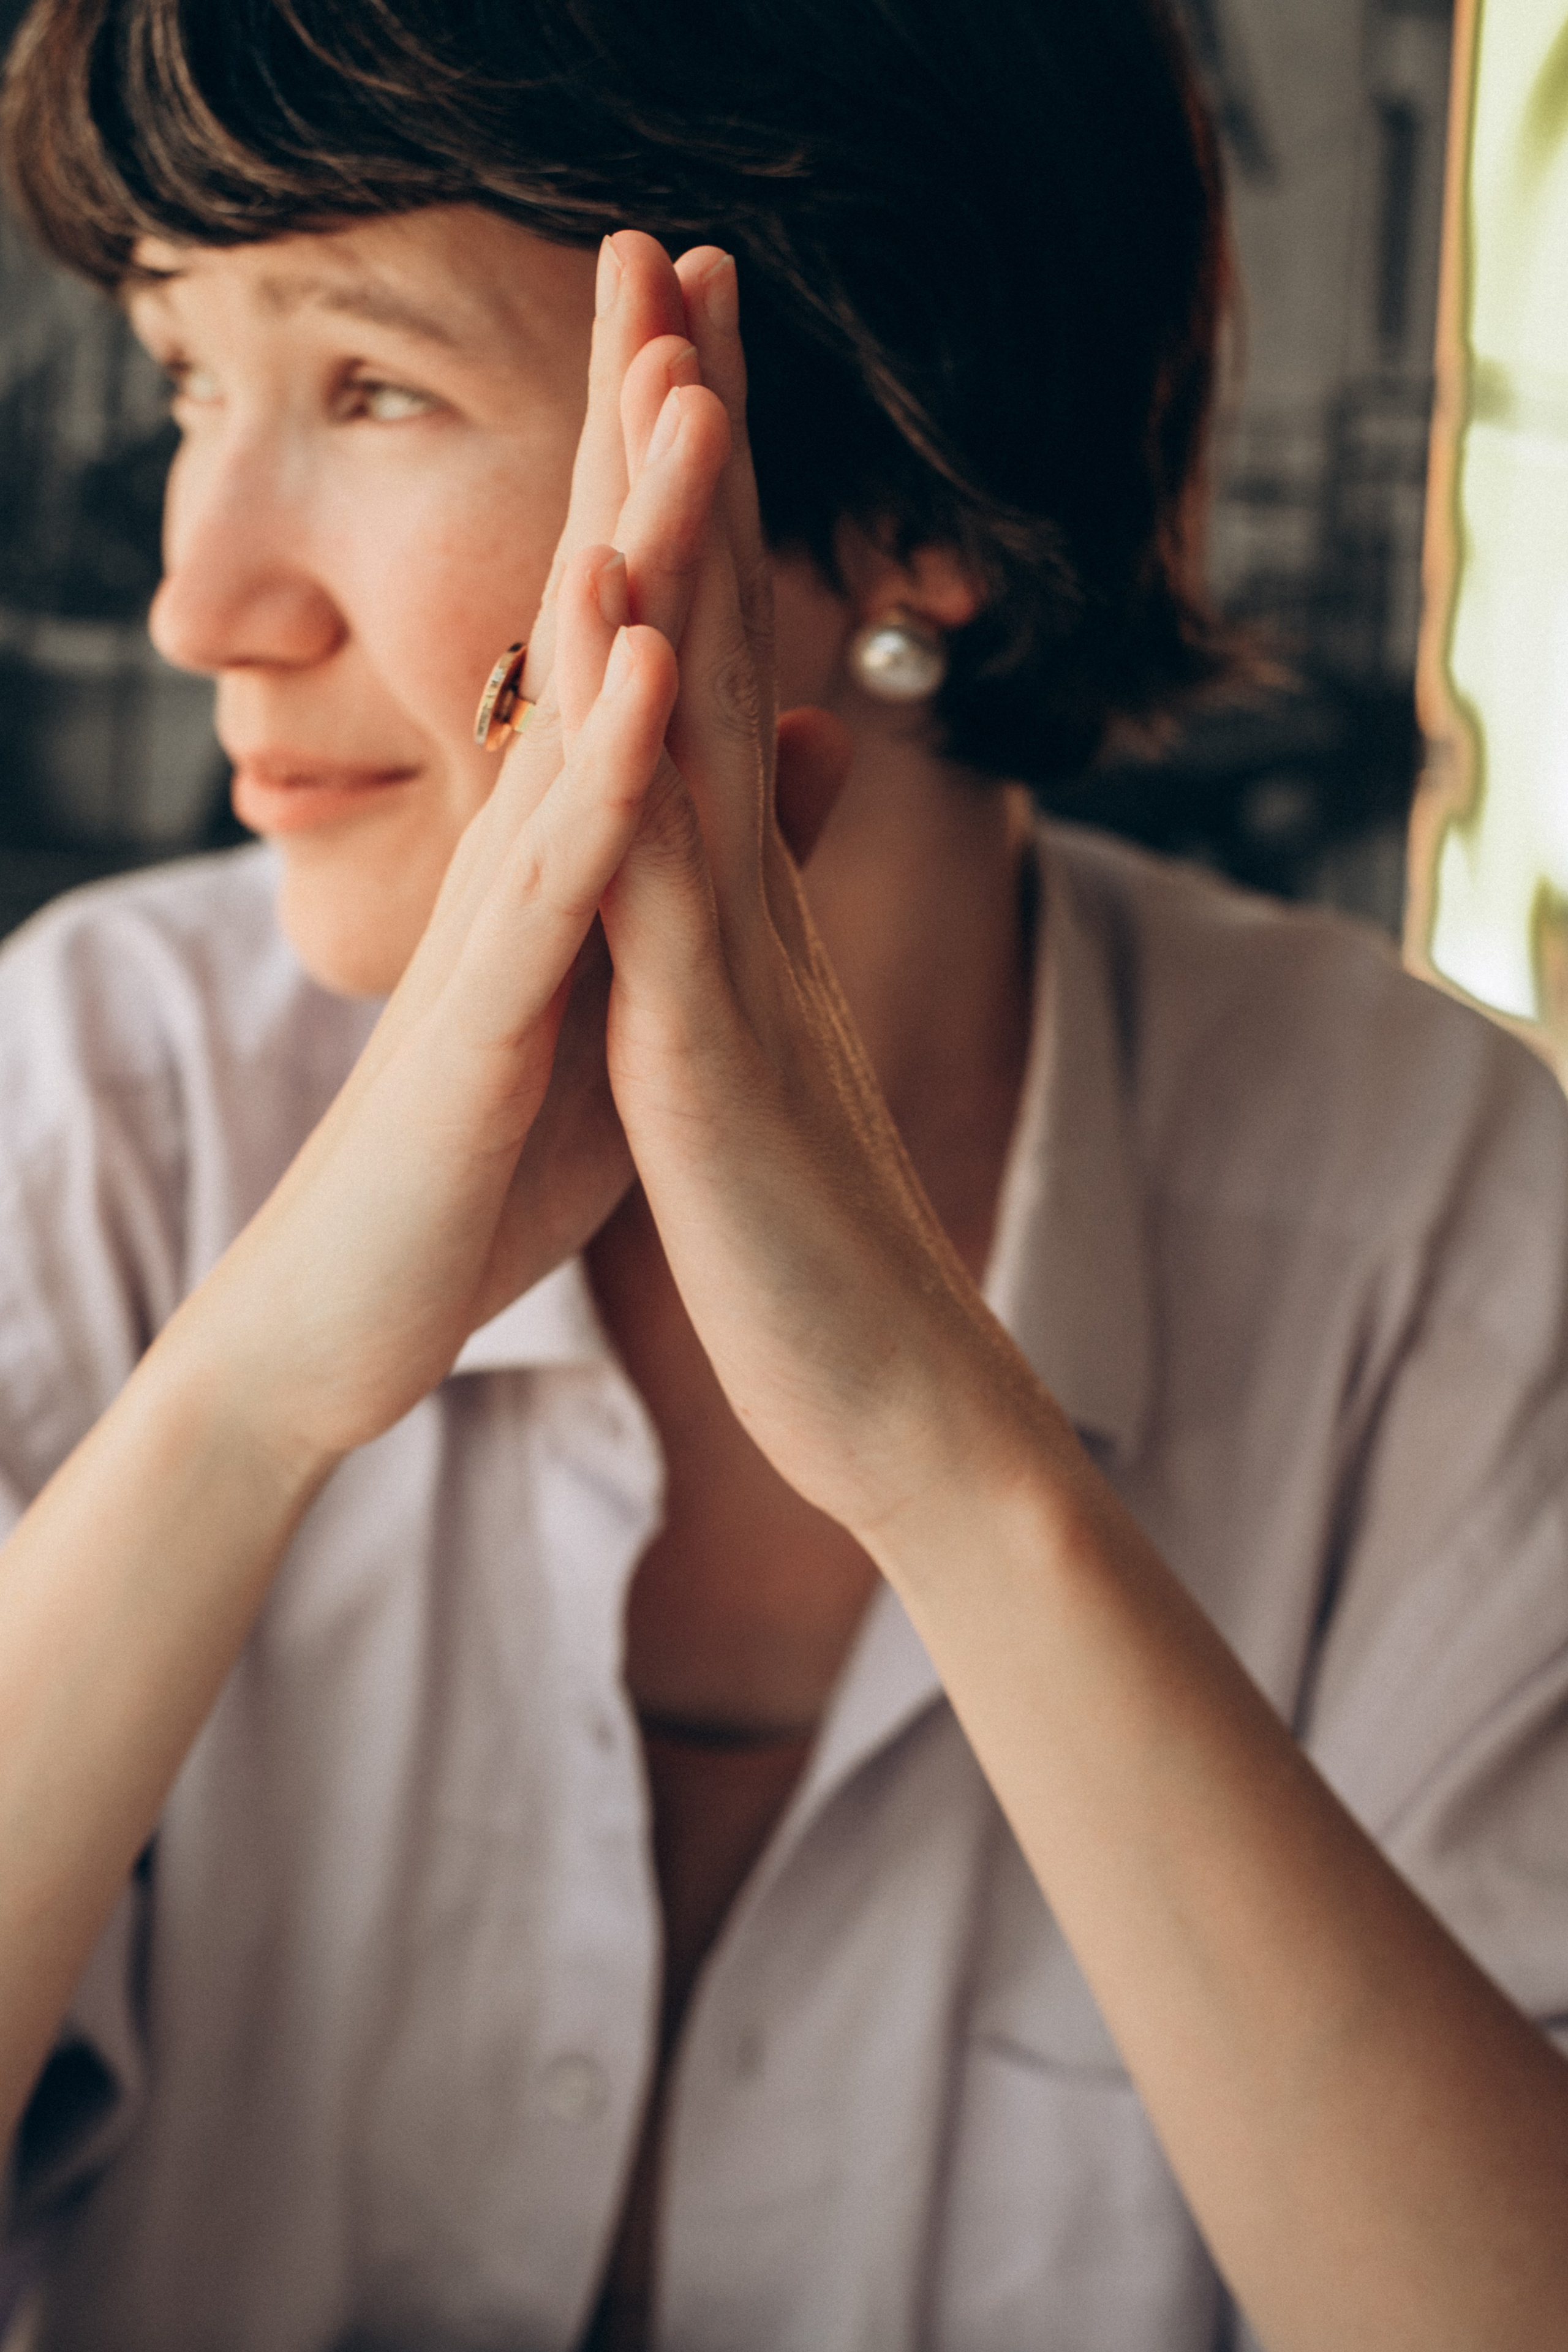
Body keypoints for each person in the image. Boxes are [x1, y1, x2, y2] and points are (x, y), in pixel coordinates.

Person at [1, 0, 1567, 2346]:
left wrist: (955, 1463)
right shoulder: (90, 1104)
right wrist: (242, 1406)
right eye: (186, 381)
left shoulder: (1445, 1237)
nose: (202, 597)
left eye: (373, 388)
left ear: (913, 488)